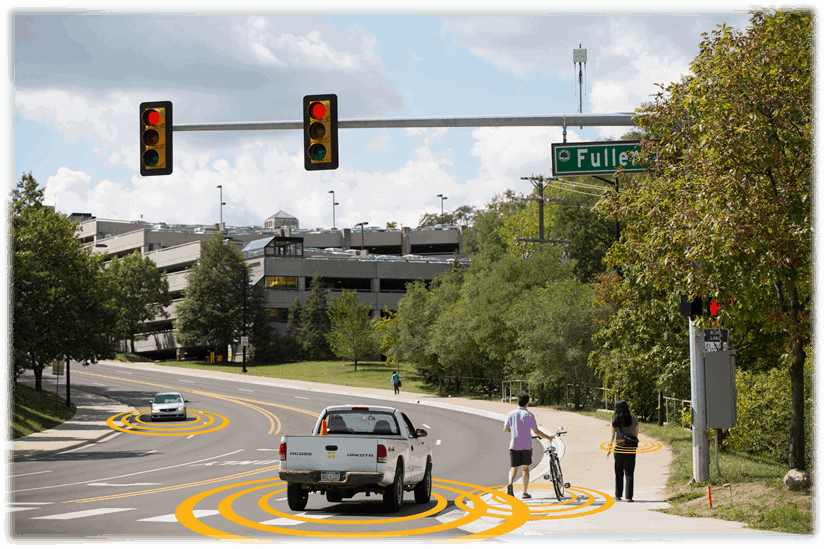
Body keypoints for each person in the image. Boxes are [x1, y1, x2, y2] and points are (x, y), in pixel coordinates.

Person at [503, 392, 554, 499]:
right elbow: (536, 431)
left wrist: (515, 431)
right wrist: (548, 437)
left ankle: (510, 485)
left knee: (513, 468)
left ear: (517, 402)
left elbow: (505, 430)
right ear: (528, 403)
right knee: (525, 468)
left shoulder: (511, 414)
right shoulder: (529, 415)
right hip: (526, 445)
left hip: (514, 445)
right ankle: (525, 492)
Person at [608, 399, 639, 502]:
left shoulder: (614, 421)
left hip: (619, 448)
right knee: (629, 472)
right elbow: (635, 435)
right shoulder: (634, 420)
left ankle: (618, 495)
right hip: (630, 449)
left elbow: (612, 436)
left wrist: (609, 448)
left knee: (618, 471)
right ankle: (629, 497)